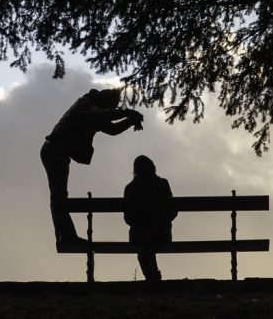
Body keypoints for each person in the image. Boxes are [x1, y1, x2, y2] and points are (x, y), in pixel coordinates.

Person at [40, 88, 143, 246]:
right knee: (59, 196)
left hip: (58, 151)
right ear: (105, 99)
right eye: (111, 106)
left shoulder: (94, 110)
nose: (111, 110)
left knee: (59, 196)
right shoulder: (86, 104)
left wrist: (130, 120)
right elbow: (102, 115)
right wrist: (128, 113)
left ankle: (66, 236)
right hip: (55, 150)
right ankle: (66, 236)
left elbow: (112, 129)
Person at [123, 154, 177, 283]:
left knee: (143, 247)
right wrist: (162, 220)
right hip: (162, 234)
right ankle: (154, 278)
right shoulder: (162, 184)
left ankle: (152, 278)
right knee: (148, 244)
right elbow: (173, 212)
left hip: (139, 235)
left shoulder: (130, 188)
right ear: (153, 168)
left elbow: (128, 218)